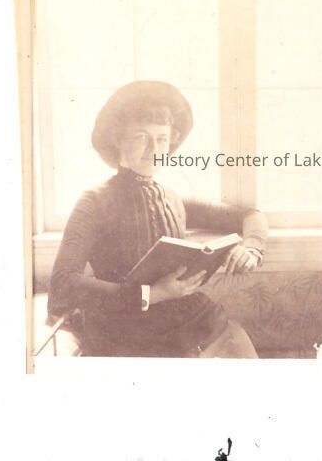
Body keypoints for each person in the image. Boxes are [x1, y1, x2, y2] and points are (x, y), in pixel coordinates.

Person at [48, 81, 267, 358]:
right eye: (141, 137)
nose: (154, 149)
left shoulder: (174, 199)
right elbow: (62, 285)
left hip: (185, 319)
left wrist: (251, 248)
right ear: (118, 140)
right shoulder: (94, 202)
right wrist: (153, 294)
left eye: (162, 139)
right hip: (122, 328)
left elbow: (251, 216)